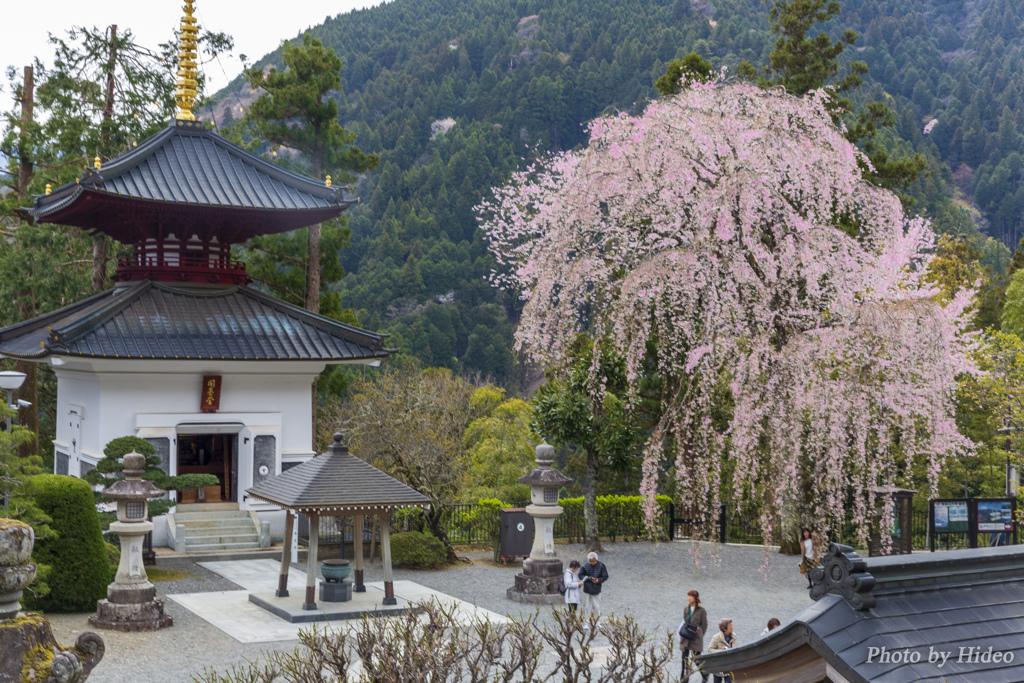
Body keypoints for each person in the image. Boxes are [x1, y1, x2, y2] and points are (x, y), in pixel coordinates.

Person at [677, 589, 708, 683]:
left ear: (695, 598)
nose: (688, 598)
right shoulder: (686, 609)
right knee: (684, 660)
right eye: (688, 596)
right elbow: (685, 622)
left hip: (696, 638)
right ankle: (684, 680)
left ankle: (705, 674)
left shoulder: (701, 610)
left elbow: (704, 625)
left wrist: (700, 635)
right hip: (685, 637)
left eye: (691, 596)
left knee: (696, 659)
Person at [576, 551, 608, 627]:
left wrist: (599, 580)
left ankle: (597, 621)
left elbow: (605, 576)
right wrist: (589, 578)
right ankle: (585, 622)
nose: (592, 563)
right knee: (586, 606)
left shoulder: (601, 565)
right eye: (590, 562)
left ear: (596, 560)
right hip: (587, 588)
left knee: (597, 606)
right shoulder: (585, 566)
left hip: (597, 588)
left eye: (593, 562)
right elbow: (580, 575)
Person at [706, 618, 739, 683]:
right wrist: (720, 651)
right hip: (718, 666)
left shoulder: (733, 636)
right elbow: (710, 649)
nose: (732, 627)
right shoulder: (716, 637)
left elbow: (735, 649)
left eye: (731, 625)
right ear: (724, 629)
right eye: (730, 626)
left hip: (729, 666)